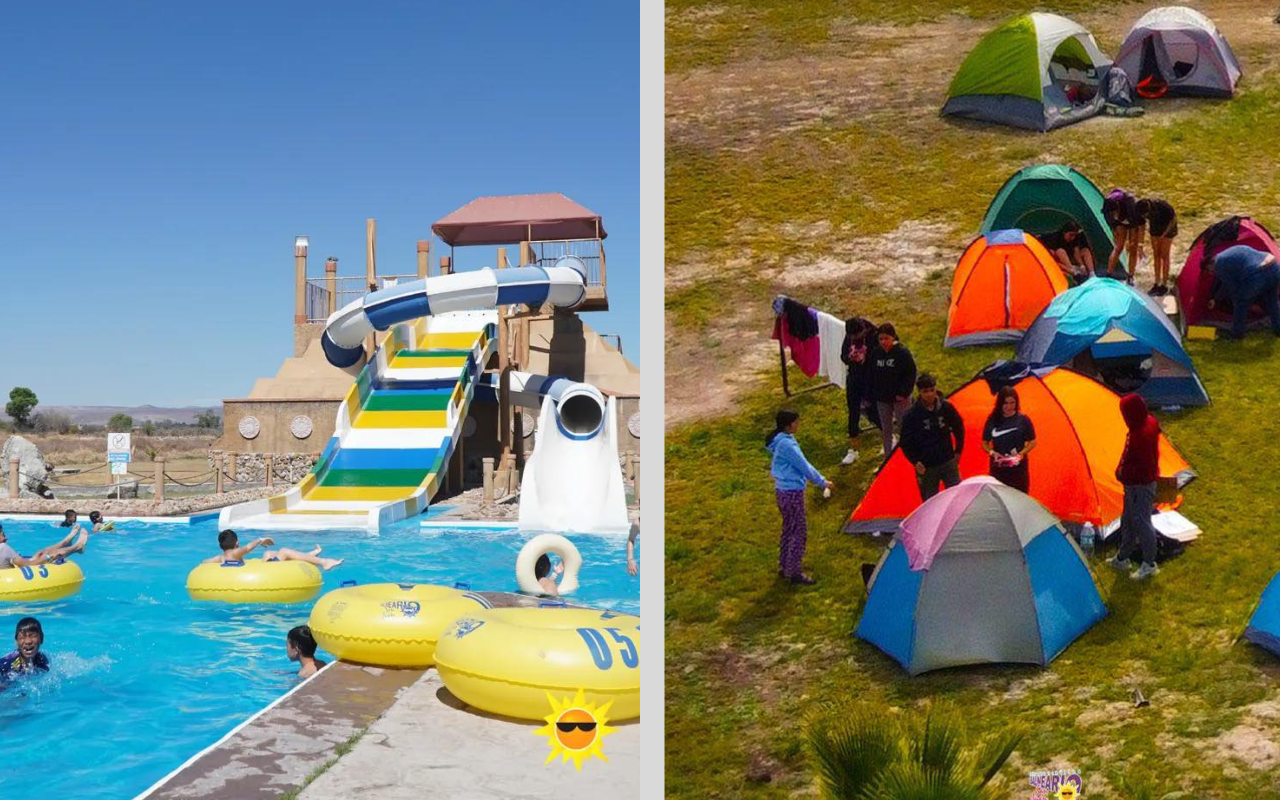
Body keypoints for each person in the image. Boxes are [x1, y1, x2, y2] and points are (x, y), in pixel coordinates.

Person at [766, 410, 831, 585]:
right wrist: (822, 482)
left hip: (782, 492)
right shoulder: (787, 445)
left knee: (789, 528)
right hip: (792, 492)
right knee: (799, 532)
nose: (798, 424)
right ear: (788, 425)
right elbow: (804, 466)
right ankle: (794, 571)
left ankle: (784, 564)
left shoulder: (780, 441)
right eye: (796, 422)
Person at [1108, 393, 1161, 580]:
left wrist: (1121, 474)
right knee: (1128, 520)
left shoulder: (1139, 435)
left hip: (1139, 486)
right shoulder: (1150, 423)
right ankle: (1122, 557)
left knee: (1142, 522)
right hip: (1139, 485)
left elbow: (1135, 463)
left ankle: (1149, 563)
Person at [899, 373, 965, 502]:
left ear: (935, 389)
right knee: (929, 502)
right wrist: (915, 461)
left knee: (957, 497)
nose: (929, 394)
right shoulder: (911, 415)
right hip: (927, 465)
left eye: (931, 390)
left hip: (947, 460)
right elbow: (905, 442)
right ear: (920, 393)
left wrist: (958, 450)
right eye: (925, 391)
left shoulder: (946, 407)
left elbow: (959, 427)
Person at [1203, 245, 1280, 339]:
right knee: (1272, 300)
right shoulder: (1228, 254)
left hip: (1258, 272)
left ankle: (1237, 334)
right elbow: (1225, 284)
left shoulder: (1219, 264)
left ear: (1210, 264)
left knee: (1240, 302)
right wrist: (1216, 299)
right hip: (1274, 266)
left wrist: (1241, 298)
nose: (1211, 273)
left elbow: (1231, 286)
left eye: (1209, 270)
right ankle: (1278, 329)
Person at [868, 323, 916, 458]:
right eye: (881, 339)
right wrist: (874, 392)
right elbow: (871, 373)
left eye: (886, 338)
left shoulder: (902, 353)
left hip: (900, 398)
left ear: (893, 337)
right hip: (882, 398)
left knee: (904, 426)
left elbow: (911, 373)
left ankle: (909, 454)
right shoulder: (876, 353)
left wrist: (904, 393)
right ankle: (888, 457)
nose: (883, 342)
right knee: (886, 428)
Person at [982, 386, 1037, 493]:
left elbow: (1033, 441)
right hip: (999, 468)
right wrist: (992, 453)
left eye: (1012, 403)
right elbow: (985, 443)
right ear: (1000, 404)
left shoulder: (1023, 420)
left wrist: (1021, 454)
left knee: (1020, 496)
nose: (1009, 406)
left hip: (1018, 469)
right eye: (1006, 403)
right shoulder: (992, 420)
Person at [839, 316, 878, 465]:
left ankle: (888, 438)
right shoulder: (849, 336)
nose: (854, 339)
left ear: (863, 331)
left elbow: (882, 353)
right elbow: (843, 355)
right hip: (854, 377)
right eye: (852, 337)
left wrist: (866, 358)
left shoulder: (874, 334)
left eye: (857, 336)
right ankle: (853, 449)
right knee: (853, 411)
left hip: (870, 378)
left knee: (873, 410)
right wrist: (850, 358)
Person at [204, 530, 344, 571]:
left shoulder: (221, 558)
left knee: (269, 553)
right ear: (237, 543)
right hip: (268, 574)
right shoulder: (235, 553)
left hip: (263, 568)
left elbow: (204, 562)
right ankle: (324, 562)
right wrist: (260, 539)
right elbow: (249, 547)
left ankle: (307, 555)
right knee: (283, 551)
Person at [1137, 197, 1178, 296]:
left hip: (1168, 228)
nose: (1146, 216)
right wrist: (1140, 244)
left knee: (1164, 256)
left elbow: (1173, 220)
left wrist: (1163, 235)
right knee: (1156, 255)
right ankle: (1156, 283)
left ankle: (1164, 284)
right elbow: (1141, 227)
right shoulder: (1139, 209)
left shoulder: (1162, 205)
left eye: (1146, 214)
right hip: (1155, 229)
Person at [0, 523, 86, 568]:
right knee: (53, 554)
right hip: (18, 575)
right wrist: (47, 557)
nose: (6, 538)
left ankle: (65, 542)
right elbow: (29, 565)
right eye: (3, 535)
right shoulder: (4, 548)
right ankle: (77, 547)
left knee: (40, 553)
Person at [1102, 188, 1143, 284]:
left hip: (1132, 221)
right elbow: (1109, 220)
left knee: (1133, 247)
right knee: (1118, 247)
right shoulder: (1107, 205)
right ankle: (1109, 273)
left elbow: (1138, 223)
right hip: (1119, 223)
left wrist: (1135, 239)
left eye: (1115, 212)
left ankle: (1131, 276)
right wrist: (1113, 230)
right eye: (1113, 213)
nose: (1114, 214)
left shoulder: (1130, 205)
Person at [0, 618, 50, 683]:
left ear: (41, 638)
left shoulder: (42, 659)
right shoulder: (7, 663)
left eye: (33, 636)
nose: (28, 641)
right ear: (16, 642)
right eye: (22, 637)